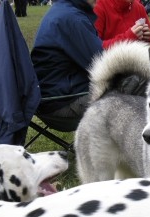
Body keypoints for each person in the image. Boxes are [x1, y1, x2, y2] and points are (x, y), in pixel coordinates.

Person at [31, 0, 104, 128]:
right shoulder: (72, 18)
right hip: (63, 103)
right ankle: (136, 143)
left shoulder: (61, 10)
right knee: (133, 86)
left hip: (47, 100)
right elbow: (105, 64)